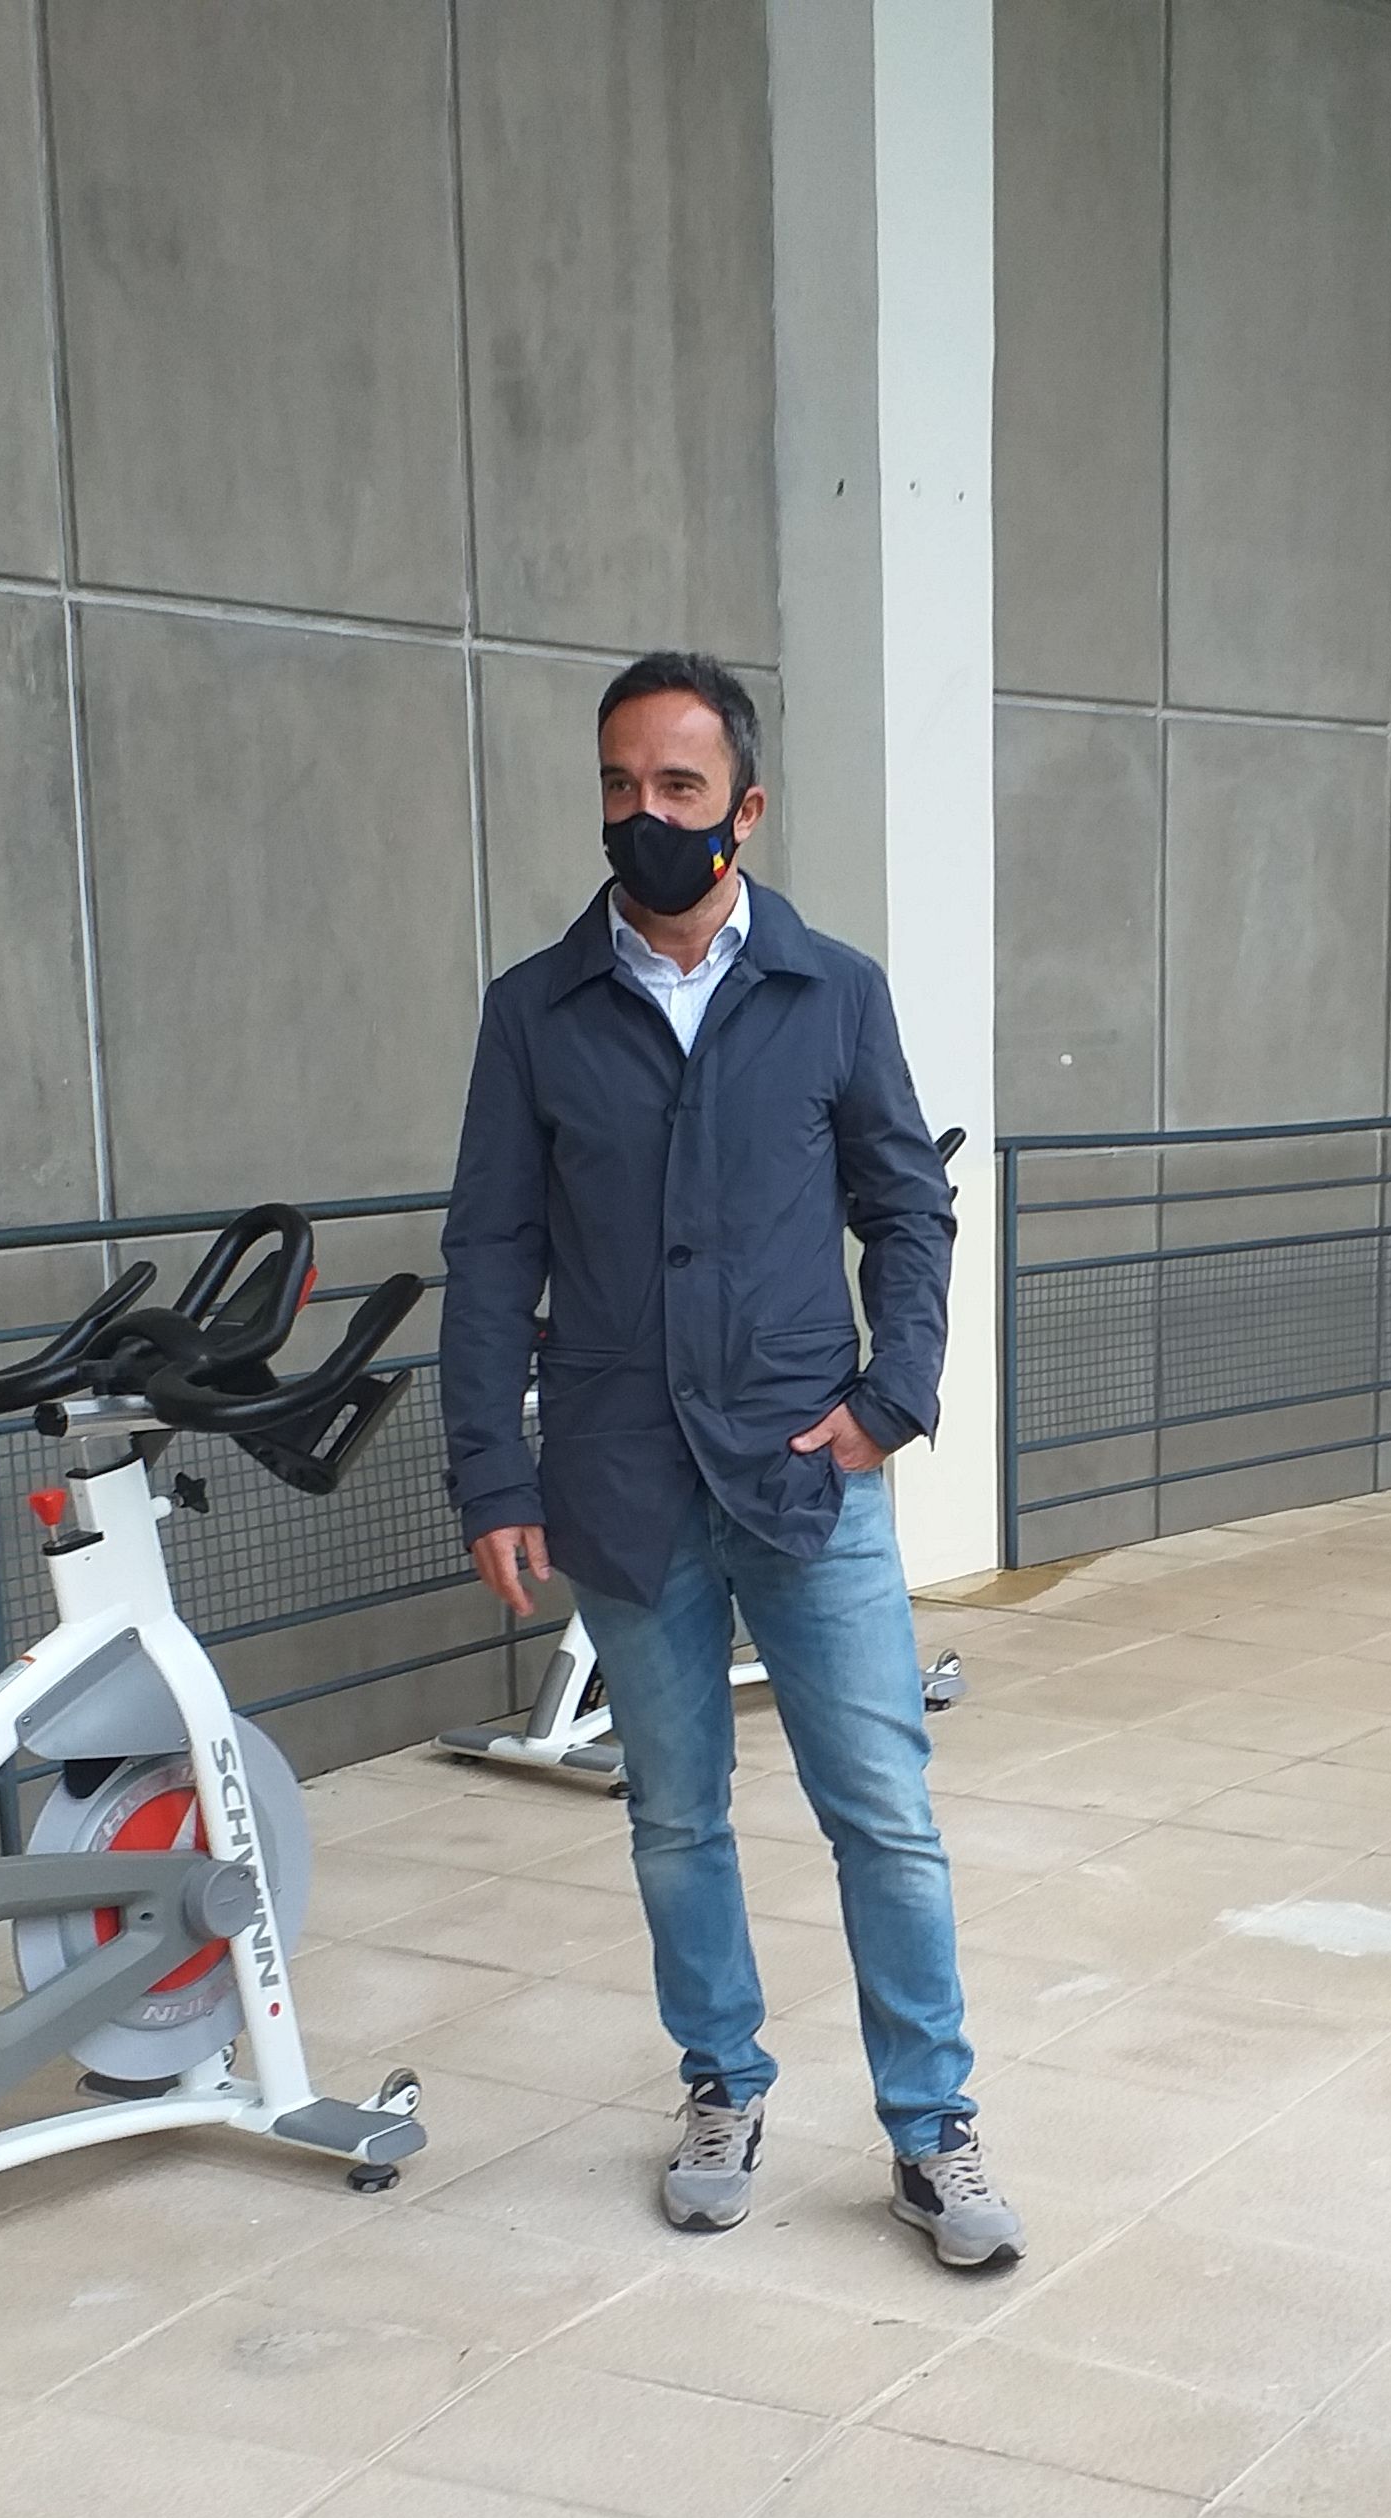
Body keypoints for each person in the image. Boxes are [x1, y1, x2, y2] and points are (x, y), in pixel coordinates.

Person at [437, 651, 1019, 2271]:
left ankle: (934, 2130)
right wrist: (495, 1472)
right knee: (675, 1816)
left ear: (743, 810)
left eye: (678, 789)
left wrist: (893, 1395)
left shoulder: (830, 991)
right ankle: (722, 2083)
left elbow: (909, 1204)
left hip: (805, 1470)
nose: (646, 815)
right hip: (622, 1480)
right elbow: (490, 1256)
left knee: (883, 1813)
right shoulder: (535, 1014)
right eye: (621, 786)